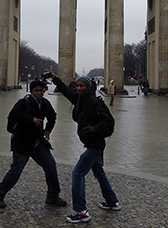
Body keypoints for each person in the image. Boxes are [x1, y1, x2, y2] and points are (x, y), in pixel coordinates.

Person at [47, 70, 120, 224]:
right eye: (77, 85)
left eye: (82, 86)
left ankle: (81, 211)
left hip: (95, 145)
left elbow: (108, 123)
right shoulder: (79, 99)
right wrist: (55, 79)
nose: (78, 88)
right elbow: (67, 92)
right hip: (92, 144)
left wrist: (94, 130)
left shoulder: (95, 102)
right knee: (99, 172)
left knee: (78, 173)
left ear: (88, 87)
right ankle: (112, 201)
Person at [0, 79, 67, 209]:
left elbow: (53, 116)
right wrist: (31, 119)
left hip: (38, 143)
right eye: (36, 90)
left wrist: (48, 129)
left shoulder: (45, 103)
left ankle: (53, 196)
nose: (39, 93)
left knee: (51, 167)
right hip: (22, 143)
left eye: (41, 91)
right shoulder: (23, 102)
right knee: (15, 172)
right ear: (31, 91)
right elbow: (13, 115)